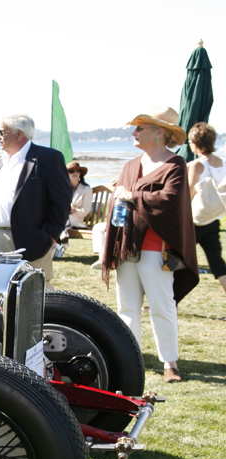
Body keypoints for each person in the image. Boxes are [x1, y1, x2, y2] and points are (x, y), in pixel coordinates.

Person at [101, 106, 199, 383]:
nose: (135, 132)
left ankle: (170, 363)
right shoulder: (131, 165)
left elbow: (170, 201)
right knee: (127, 307)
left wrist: (132, 195)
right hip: (126, 246)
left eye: (141, 127)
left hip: (157, 248)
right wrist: (120, 195)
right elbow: (120, 201)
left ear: (160, 132)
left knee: (162, 305)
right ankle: (132, 359)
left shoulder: (175, 164)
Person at [0, 114, 72, 283]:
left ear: (19, 134)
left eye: (2, 132)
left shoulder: (47, 159)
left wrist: (50, 237)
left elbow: (61, 202)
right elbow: (1, 194)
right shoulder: (1, 162)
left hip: (30, 242)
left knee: (33, 293)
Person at [186, 122, 226, 298]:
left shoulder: (196, 165)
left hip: (196, 220)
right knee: (217, 262)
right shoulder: (222, 163)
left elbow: (188, 193)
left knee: (176, 260)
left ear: (195, 142)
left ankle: (169, 303)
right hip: (214, 217)